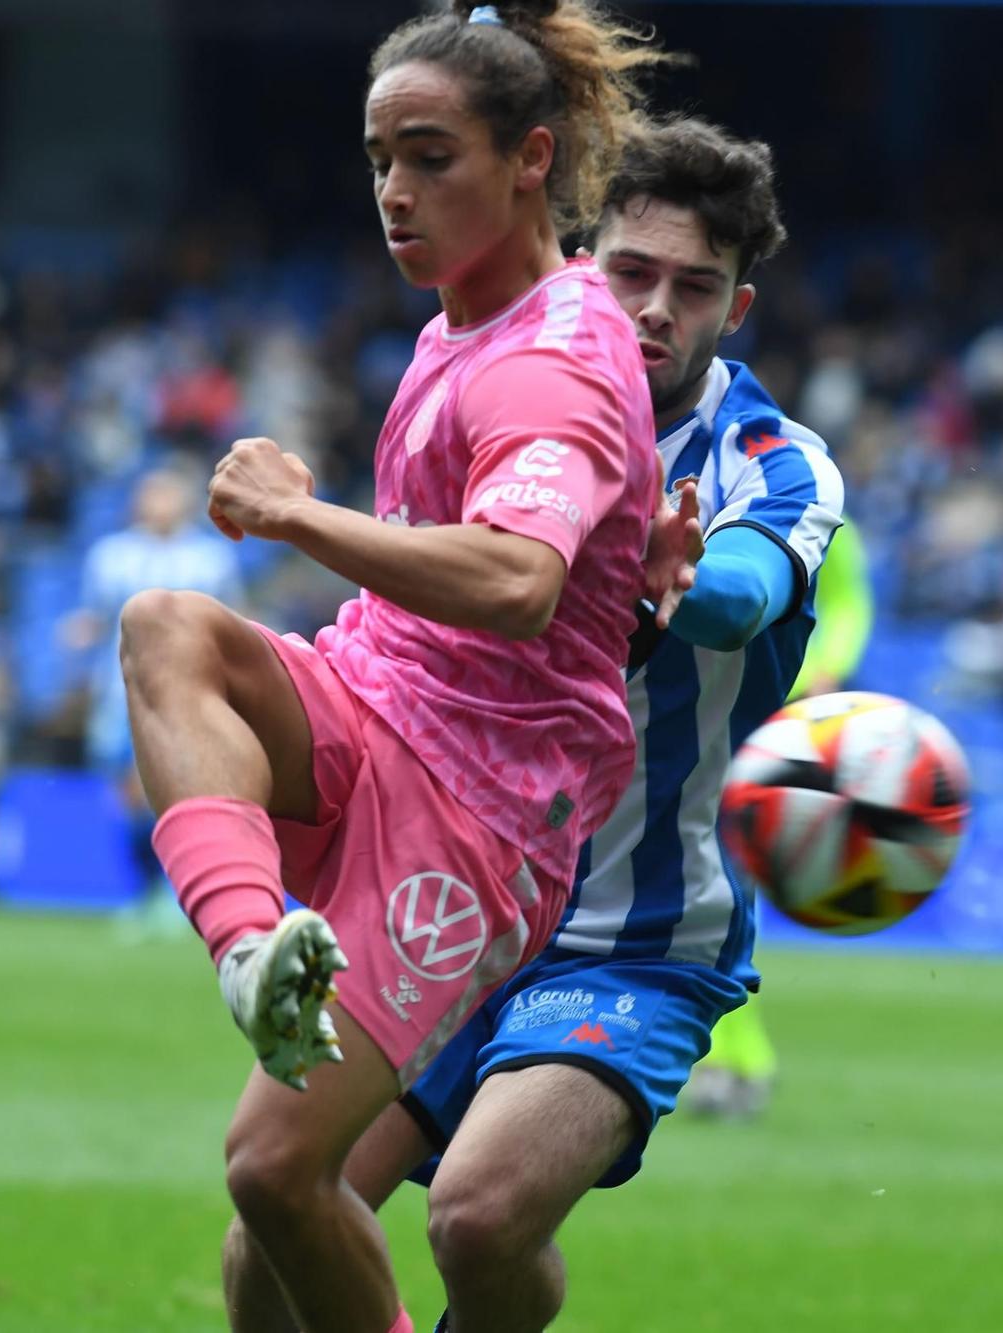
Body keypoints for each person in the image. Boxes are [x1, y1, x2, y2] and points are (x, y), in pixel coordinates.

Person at [116, 5, 695, 1331]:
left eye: (430, 157)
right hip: (374, 706)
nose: (394, 191)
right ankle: (256, 956)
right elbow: (573, 591)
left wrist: (296, 517)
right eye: (379, 156)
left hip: (475, 810)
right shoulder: (459, 328)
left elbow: (515, 580)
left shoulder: (552, 358)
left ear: (531, 159)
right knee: (168, 626)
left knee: (274, 1172)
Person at [221, 116, 843, 1333]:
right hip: (458, 882)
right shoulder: (508, 395)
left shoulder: (772, 462)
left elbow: (743, 592)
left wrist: (640, 577)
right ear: (578, 255)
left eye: (694, 287)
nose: (657, 308)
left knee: (478, 1213)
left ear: (738, 306)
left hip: (636, 932)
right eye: (631, 273)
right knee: (270, 1235)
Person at [683, 518, 872, 1119]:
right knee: (716, 888)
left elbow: (848, 606)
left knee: (723, 885)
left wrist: (825, 667)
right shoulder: (701, 500)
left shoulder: (822, 513)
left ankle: (734, 1063)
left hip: (789, 724)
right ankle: (734, 1062)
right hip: (715, 717)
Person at [62, 465, 243, 936]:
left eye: (166, 495)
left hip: (190, 693)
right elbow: (97, 618)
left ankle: (174, 895)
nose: (157, 504)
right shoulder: (111, 556)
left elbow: (232, 621)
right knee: (131, 799)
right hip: (119, 693)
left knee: (180, 793)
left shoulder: (210, 559)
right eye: (150, 495)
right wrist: (81, 634)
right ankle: (147, 892)